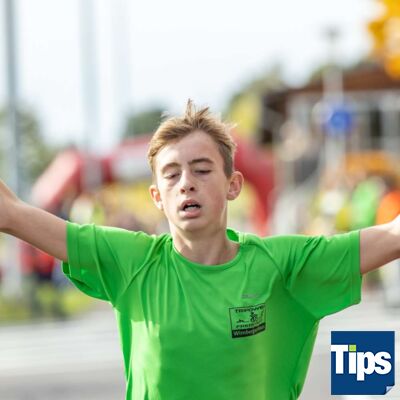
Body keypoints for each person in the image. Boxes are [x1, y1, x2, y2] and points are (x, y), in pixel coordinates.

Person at [0, 100, 399, 400]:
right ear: (157, 197)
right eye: (172, 175)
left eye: (202, 170)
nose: (186, 183)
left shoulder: (282, 265)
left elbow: (393, 236)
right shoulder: (132, 261)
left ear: (233, 185)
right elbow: (13, 214)